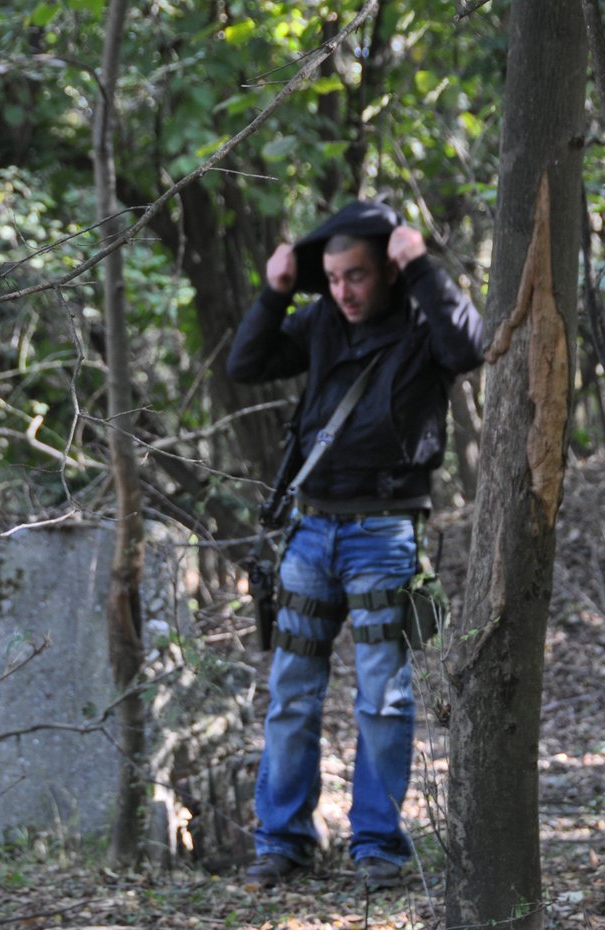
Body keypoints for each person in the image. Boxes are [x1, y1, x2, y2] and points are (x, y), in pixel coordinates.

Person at [226, 201, 484, 890]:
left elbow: (471, 346)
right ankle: (281, 843)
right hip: (311, 533)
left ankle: (377, 846)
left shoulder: (423, 321)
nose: (344, 291)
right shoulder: (318, 324)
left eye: (358, 276)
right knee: (290, 695)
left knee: (383, 699)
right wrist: (276, 291)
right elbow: (245, 362)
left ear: (388, 273)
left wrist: (421, 264)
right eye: (333, 278)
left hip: (385, 534)